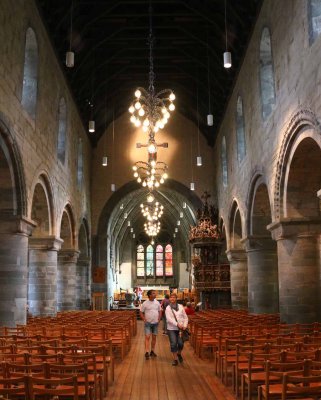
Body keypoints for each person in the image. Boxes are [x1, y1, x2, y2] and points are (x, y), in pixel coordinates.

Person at [165, 293, 188, 366]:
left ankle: (179, 353)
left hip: (181, 329)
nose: (172, 299)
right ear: (169, 299)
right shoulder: (168, 308)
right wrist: (177, 324)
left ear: (176, 298)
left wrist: (185, 325)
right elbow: (169, 319)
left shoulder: (181, 307)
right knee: (173, 343)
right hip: (171, 328)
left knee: (181, 343)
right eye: (171, 297)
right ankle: (175, 359)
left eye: (174, 297)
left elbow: (185, 317)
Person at [140, 289, 162, 360]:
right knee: (147, 337)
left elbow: (160, 310)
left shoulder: (157, 302)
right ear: (149, 295)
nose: (155, 294)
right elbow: (141, 312)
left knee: (154, 337)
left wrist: (159, 319)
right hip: (148, 323)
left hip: (155, 323)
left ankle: (152, 351)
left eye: (155, 293)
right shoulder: (145, 303)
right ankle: (147, 351)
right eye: (153, 293)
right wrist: (144, 319)